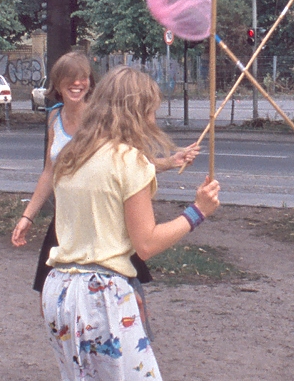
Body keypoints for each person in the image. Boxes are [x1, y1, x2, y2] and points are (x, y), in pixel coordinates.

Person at [41, 67, 221, 381]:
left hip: (61, 292)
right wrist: (197, 212)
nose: (155, 113)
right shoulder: (130, 161)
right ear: (139, 108)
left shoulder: (73, 154)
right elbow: (146, 243)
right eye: (152, 105)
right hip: (102, 293)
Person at [12, 51, 198, 289]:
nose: (77, 84)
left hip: (89, 238)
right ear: (57, 83)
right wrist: (28, 215)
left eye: (83, 78)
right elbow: (50, 172)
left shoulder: (89, 132)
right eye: (70, 78)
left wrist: (170, 161)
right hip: (79, 233)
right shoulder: (56, 119)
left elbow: (124, 167)